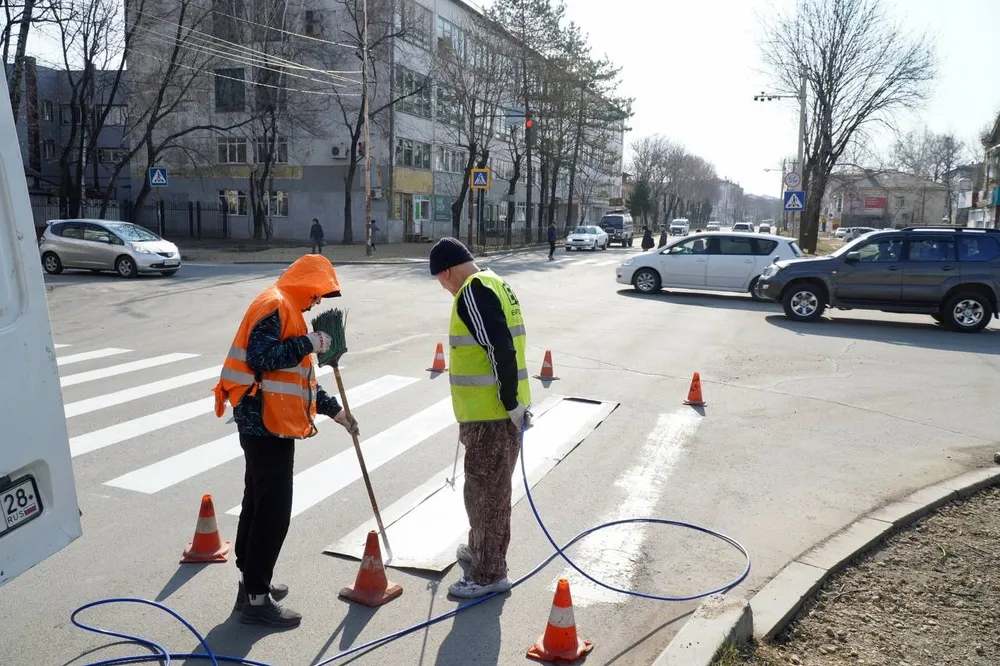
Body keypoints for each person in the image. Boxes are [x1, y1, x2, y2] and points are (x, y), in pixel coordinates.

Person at [212, 254, 360, 627]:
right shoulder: (276, 305)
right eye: (317, 294)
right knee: (273, 512)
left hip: (268, 420)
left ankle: (250, 584)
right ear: (305, 285)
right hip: (265, 421)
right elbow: (262, 359)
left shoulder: (285, 308)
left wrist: (337, 413)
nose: (317, 302)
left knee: (258, 503)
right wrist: (308, 342)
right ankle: (257, 599)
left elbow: (298, 380)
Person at [428, 237, 532, 599]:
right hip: (497, 414)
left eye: (440, 281)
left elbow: (500, 348)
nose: (444, 288)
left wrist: (509, 401)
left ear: (446, 272)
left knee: (486, 497)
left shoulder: (471, 292)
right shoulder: (495, 283)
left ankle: (489, 575)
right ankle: (481, 551)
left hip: (492, 416)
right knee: (487, 492)